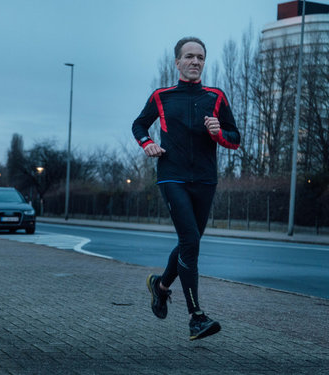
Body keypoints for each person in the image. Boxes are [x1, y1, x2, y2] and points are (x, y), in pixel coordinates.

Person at [132, 37, 240, 341]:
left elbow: (235, 138)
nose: (195, 62)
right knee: (190, 240)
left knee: (188, 243)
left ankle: (161, 286)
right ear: (177, 62)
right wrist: (148, 143)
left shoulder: (216, 97)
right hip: (172, 176)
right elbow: (139, 125)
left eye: (201, 57)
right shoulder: (161, 96)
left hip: (205, 179)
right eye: (189, 57)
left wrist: (219, 133)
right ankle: (196, 317)